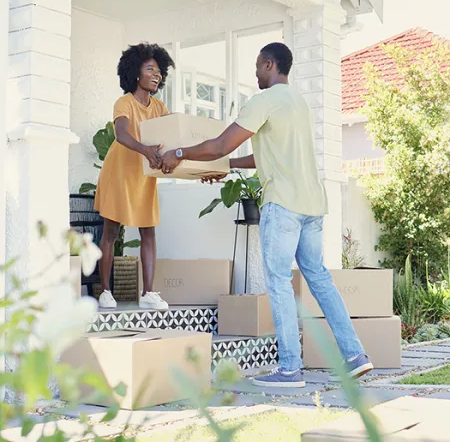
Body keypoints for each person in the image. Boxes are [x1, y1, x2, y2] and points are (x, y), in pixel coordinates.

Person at [160, 42, 373, 387]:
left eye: (258, 66)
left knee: (277, 282)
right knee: (319, 279)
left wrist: (180, 153)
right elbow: (261, 156)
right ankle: (355, 355)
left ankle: (290, 368)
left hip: (284, 205)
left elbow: (220, 143)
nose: (256, 73)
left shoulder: (264, 100)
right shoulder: (298, 104)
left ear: (270, 65)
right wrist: (224, 167)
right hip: (313, 207)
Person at [94, 43, 174, 310]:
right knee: (111, 231)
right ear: (135, 73)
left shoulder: (159, 107)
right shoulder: (124, 102)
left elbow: (175, 134)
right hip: (119, 173)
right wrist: (145, 150)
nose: (157, 74)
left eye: (159, 70)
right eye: (150, 68)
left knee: (148, 231)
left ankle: (149, 292)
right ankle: (105, 290)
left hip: (144, 175)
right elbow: (121, 134)